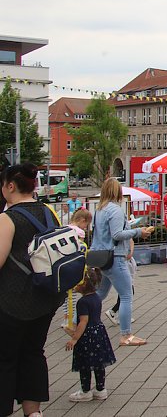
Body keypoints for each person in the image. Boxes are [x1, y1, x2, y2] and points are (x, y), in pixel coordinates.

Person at [0, 163, 68, 417]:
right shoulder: (48, 213)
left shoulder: (8, 219)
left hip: (12, 302)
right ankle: (33, 412)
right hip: (45, 299)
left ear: (10, 186)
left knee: (5, 358)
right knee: (33, 353)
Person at [92, 177, 153, 347]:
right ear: (118, 192)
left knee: (99, 293)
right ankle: (126, 335)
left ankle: (75, 322)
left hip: (102, 256)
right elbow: (117, 234)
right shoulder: (115, 210)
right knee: (126, 295)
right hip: (115, 257)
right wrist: (137, 232)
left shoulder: (100, 210)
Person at [64, 268, 116, 402]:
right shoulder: (97, 297)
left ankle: (85, 391)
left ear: (84, 284)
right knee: (99, 363)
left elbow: (83, 321)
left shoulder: (82, 302)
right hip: (99, 332)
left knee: (85, 365)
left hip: (87, 336)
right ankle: (100, 389)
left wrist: (74, 338)